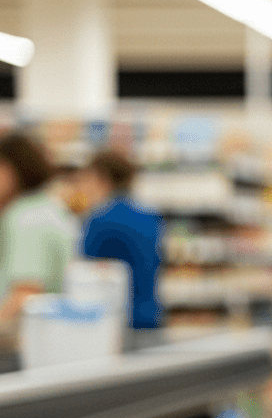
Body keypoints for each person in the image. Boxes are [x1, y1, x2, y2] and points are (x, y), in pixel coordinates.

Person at [0, 133, 79, 328]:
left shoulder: (26, 218)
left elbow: (26, 293)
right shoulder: (48, 208)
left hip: (26, 340)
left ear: (13, 170)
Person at [79, 150, 163, 330]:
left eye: (88, 179)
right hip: (149, 314)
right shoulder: (150, 217)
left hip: (115, 321)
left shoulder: (99, 221)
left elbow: (88, 273)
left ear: (102, 178)